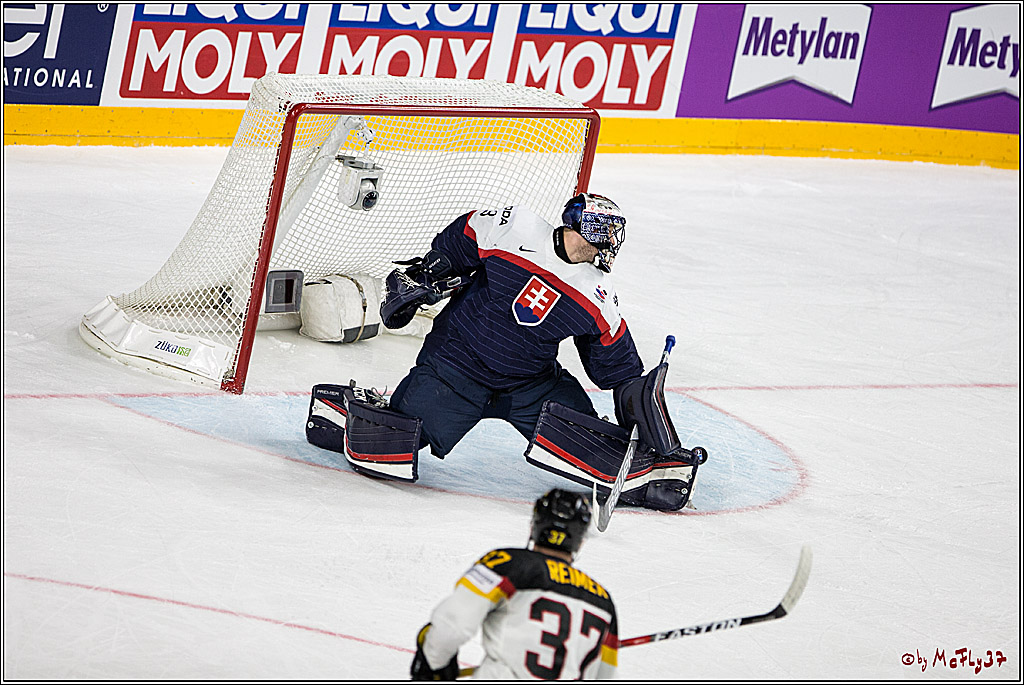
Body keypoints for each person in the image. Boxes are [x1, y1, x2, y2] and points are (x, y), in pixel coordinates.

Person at [382, 193, 643, 458]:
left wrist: (642, 409)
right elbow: (466, 233)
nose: (611, 241)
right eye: (607, 231)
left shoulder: (597, 292)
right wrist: (432, 269)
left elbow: (616, 365)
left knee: (595, 452)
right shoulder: (516, 228)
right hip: (456, 365)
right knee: (393, 444)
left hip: (530, 385)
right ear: (587, 228)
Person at [410, 489, 618, 680]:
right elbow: (605, 677)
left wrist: (433, 665)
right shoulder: (603, 602)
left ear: (534, 526)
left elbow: (451, 626)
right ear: (580, 541)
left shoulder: (505, 564)